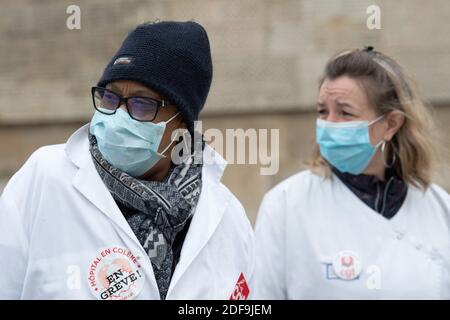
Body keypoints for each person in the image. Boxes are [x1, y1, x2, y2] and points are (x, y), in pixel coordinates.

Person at [0, 21, 254, 300]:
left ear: (181, 123)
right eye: (110, 98)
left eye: (141, 104)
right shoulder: (44, 180)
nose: (117, 116)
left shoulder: (227, 218)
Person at [253, 47, 450, 299]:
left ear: (391, 124)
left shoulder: (440, 210)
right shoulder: (285, 205)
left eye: (345, 113)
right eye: (323, 111)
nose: (329, 124)